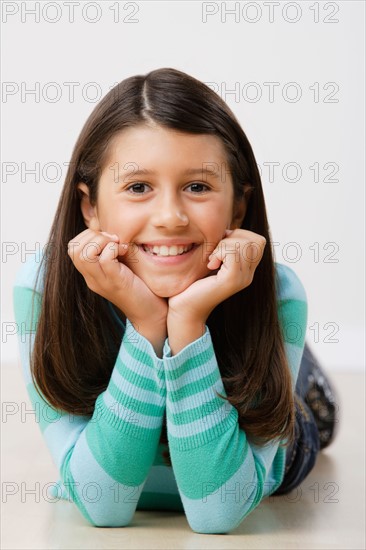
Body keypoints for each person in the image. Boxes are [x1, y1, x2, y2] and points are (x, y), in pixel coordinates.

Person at [13, 67, 339, 534]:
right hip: (151, 359)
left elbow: (217, 513)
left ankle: (300, 367)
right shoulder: (42, 289)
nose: (169, 217)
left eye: (198, 186)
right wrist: (146, 322)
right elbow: (102, 507)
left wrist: (187, 323)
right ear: (89, 207)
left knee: (313, 413)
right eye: (138, 187)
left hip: (265, 426)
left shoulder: (280, 294)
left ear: (239, 207)